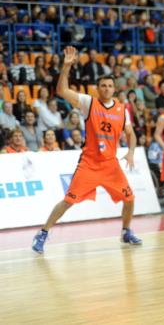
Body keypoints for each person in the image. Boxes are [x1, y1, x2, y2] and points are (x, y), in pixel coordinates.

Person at [32, 46, 141, 254]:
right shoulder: (88, 102)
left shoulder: (122, 109)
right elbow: (62, 91)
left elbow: (131, 134)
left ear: (114, 89)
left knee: (129, 198)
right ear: (97, 89)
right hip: (90, 163)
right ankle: (43, 233)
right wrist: (66, 67)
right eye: (103, 86)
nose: (107, 89)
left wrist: (131, 151)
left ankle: (126, 231)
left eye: (110, 86)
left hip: (110, 164)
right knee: (68, 201)